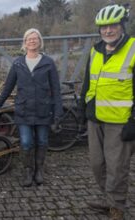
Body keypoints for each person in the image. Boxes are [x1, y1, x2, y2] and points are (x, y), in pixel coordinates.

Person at [78, 4, 135, 220]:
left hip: (120, 122)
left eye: (112, 26)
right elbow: (88, 82)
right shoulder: (96, 49)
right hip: (96, 119)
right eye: (103, 27)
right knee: (96, 164)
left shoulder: (133, 48)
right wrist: (82, 108)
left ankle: (117, 206)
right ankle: (108, 198)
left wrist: (134, 120)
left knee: (117, 167)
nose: (107, 31)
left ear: (122, 26)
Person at [0, 28, 63, 187]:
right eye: (29, 39)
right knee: (25, 142)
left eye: (35, 38)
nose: (32, 41)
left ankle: (39, 170)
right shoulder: (18, 63)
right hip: (23, 111)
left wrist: (58, 112)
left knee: (42, 141)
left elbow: (56, 90)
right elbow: (8, 87)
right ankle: (28, 171)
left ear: (40, 42)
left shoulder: (48, 63)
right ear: (25, 43)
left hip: (43, 110)